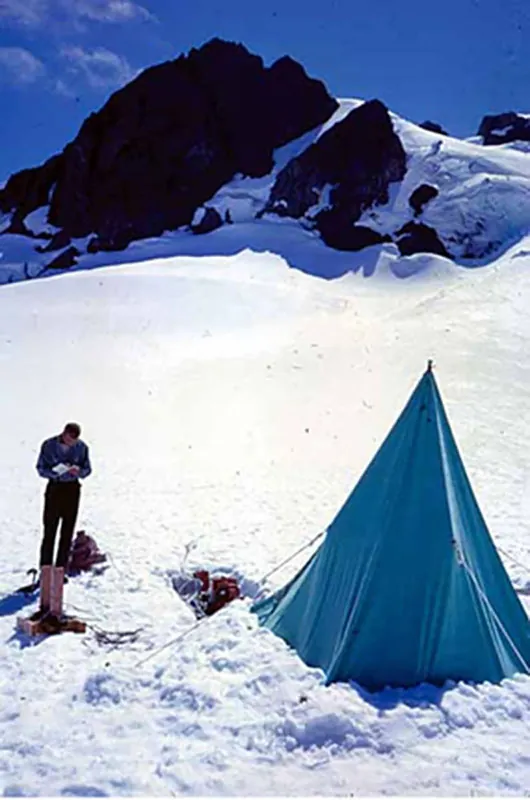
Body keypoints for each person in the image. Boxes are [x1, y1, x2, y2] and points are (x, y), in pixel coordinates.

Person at [36, 422, 92, 571]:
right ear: (64, 433)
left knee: (67, 531)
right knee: (50, 530)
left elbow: (87, 469)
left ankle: (61, 569)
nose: (72, 442)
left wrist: (78, 471)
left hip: (72, 490)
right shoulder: (48, 445)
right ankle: (45, 568)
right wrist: (54, 472)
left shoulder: (82, 448)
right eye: (69, 439)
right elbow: (40, 468)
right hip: (55, 488)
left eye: (74, 440)